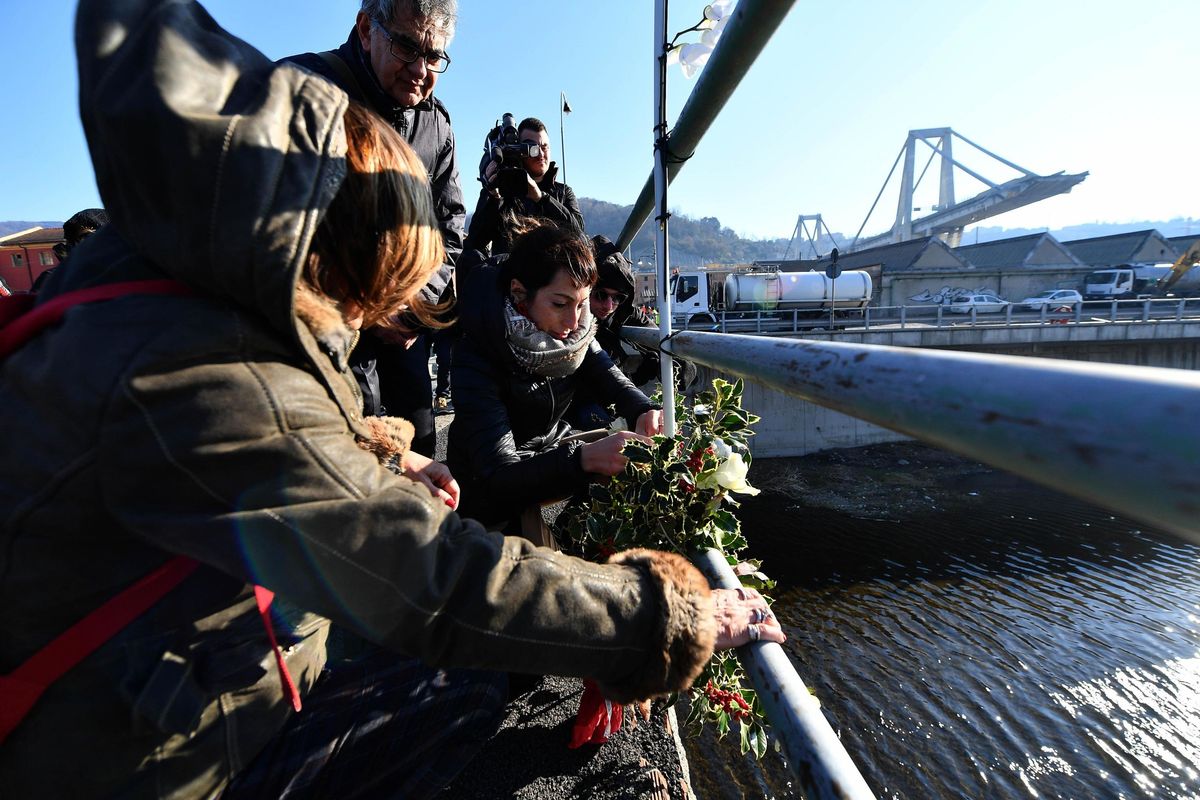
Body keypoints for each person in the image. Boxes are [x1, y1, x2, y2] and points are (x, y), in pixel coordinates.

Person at [0, 2, 784, 798]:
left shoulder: (163, 284)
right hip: (118, 762)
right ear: (330, 267)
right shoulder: (214, 380)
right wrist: (673, 616)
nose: (376, 328)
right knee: (455, 685)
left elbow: (275, 438)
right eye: (375, 303)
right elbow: (433, 583)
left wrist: (379, 455)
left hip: (130, 680)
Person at [284, 0, 466, 456]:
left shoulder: (437, 127)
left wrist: (415, 301)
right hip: (315, 344)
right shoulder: (299, 90)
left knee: (419, 460)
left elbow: (451, 230)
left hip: (404, 337)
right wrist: (364, 302)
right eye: (408, 47)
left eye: (435, 57)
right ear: (366, 28)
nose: (422, 70)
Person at [446, 223, 662, 535]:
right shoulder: (476, 353)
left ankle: (571, 534)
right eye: (560, 304)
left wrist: (644, 409)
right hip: (488, 485)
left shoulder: (578, 332)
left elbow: (609, 376)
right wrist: (584, 459)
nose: (574, 322)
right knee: (538, 567)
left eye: (582, 303)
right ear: (519, 293)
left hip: (548, 449)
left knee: (632, 454)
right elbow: (498, 475)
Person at [568, 236, 697, 430]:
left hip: (607, 400)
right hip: (571, 407)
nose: (609, 306)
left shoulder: (623, 312)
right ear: (585, 290)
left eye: (618, 297)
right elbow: (586, 380)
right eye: (601, 295)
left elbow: (666, 346)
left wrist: (671, 368)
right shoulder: (569, 317)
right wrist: (635, 376)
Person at [464, 117, 584, 257]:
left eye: (545, 147)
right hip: (510, 273)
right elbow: (474, 243)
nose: (540, 154)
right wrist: (493, 197)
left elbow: (578, 234)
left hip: (553, 273)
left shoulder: (563, 193)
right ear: (518, 150)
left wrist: (541, 198)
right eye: (532, 148)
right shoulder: (503, 193)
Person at [33, 207, 110, 292]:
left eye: (88, 237)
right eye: (72, 240)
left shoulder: (122, 274)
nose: (79, 245)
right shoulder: (51, 279)